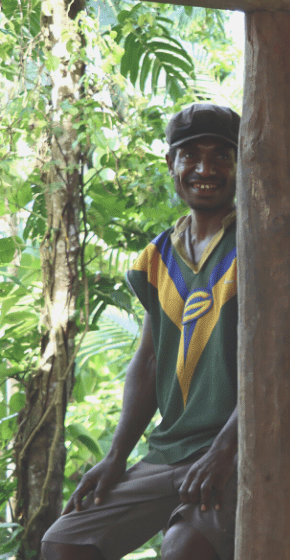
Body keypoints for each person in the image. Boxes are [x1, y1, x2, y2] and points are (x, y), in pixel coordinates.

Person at [42, 103, 242, 560]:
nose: (204, 169)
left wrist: (226, 450)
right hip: (170, 452)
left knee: (182, 551)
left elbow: (281, 366)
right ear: (171, 164)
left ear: (240, 163)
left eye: (220, 156)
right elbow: (149, 361)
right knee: (64, 543)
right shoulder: (157, 258)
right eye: (190, 155)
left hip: (237, 452)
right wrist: (116, 456)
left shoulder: (259, 240)